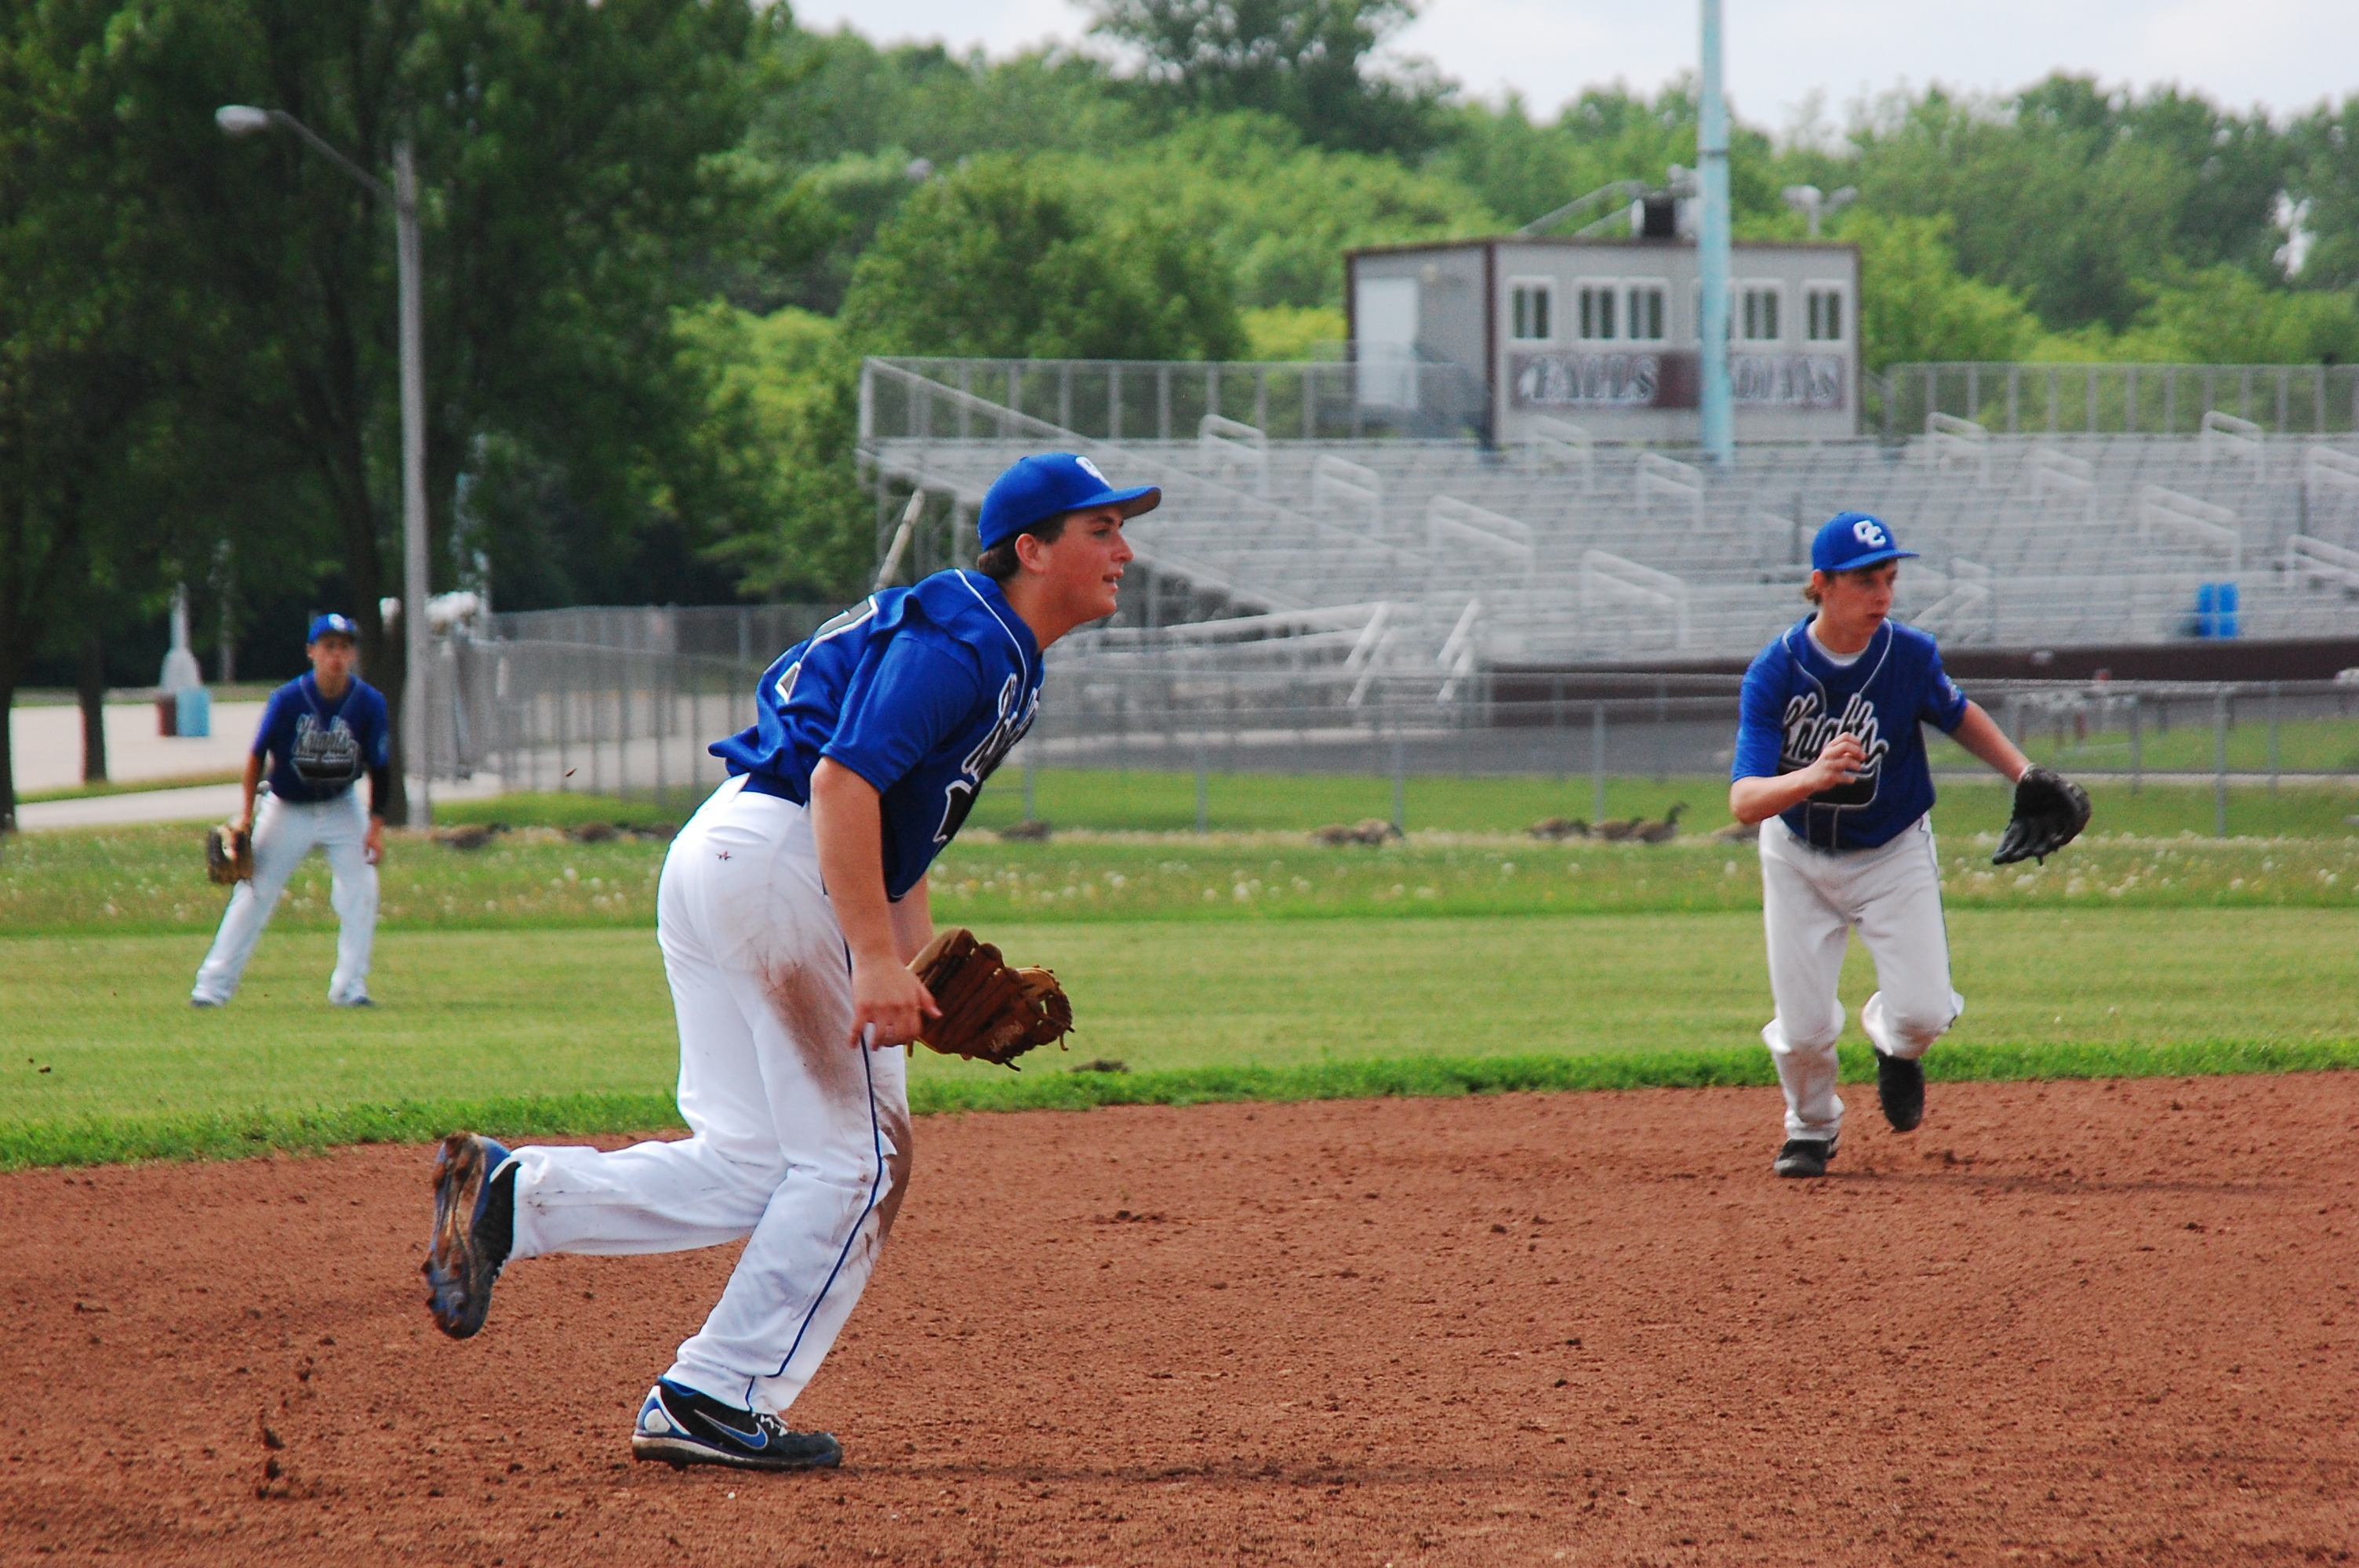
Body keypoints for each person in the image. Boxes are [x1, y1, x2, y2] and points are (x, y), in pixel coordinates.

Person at [421, 452, 1155, 1472]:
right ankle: (713, 1394)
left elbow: (899, 834)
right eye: (1100, 530)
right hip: (780, 864)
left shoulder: (988, 640)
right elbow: (844, 782)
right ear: (1031, 549)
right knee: (861, 1161)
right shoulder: (968, 641)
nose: (1124, 550)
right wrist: (870, 959)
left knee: (755, 1162)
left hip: (730, 856)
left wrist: (913, 968)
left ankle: (515, 1197)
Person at [1728, 514, 2034, 1179]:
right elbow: (1744, 801)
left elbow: (1958, 715)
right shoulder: (1776, 671)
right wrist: (1811, 777)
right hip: (1798, 856)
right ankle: (1811, 1129)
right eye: (1866, 581)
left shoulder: (1910, 655)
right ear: (1822, 584)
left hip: (1893, 851)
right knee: (1804, 1031)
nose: (1883, 595)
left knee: (1923, 1015)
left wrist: (2025, 774)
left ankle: (1895, 1048)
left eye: (1890, 579)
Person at [191, 613, 389, 1008]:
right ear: (311, 652)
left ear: (352, 655)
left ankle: (350, 988)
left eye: (344, 647)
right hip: (287, 807)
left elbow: (381, 768)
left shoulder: (369, 703)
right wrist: (246, 815)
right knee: (255, 893)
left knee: (362, 888)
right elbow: (256, 756)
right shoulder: (288, 700)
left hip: (341, 805)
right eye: (329, 646)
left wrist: (376, 827)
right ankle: (211, 989)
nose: (336, 655)